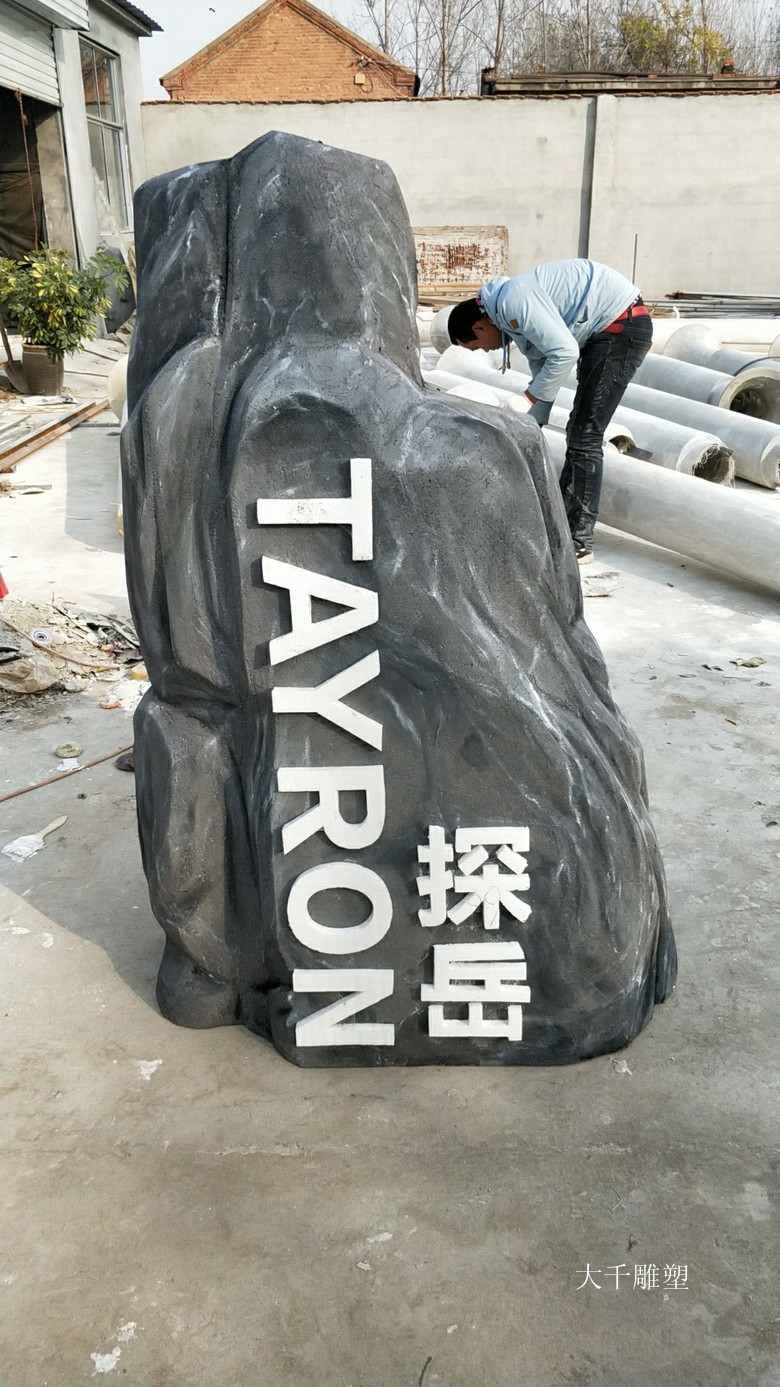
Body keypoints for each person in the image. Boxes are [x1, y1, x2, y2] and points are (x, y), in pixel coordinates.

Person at [447, 258, 653, 565]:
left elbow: (565, 353)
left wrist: (528, 398)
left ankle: (578, 541)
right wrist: (532, 423)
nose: (486, 351)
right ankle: (566, 526)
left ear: (479, 327)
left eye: (477, 346)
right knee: (578, 432)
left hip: (620, 325)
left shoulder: (513, 303)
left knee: (585, 435)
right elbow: (545, 367)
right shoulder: (510, 318)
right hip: (609, 328)